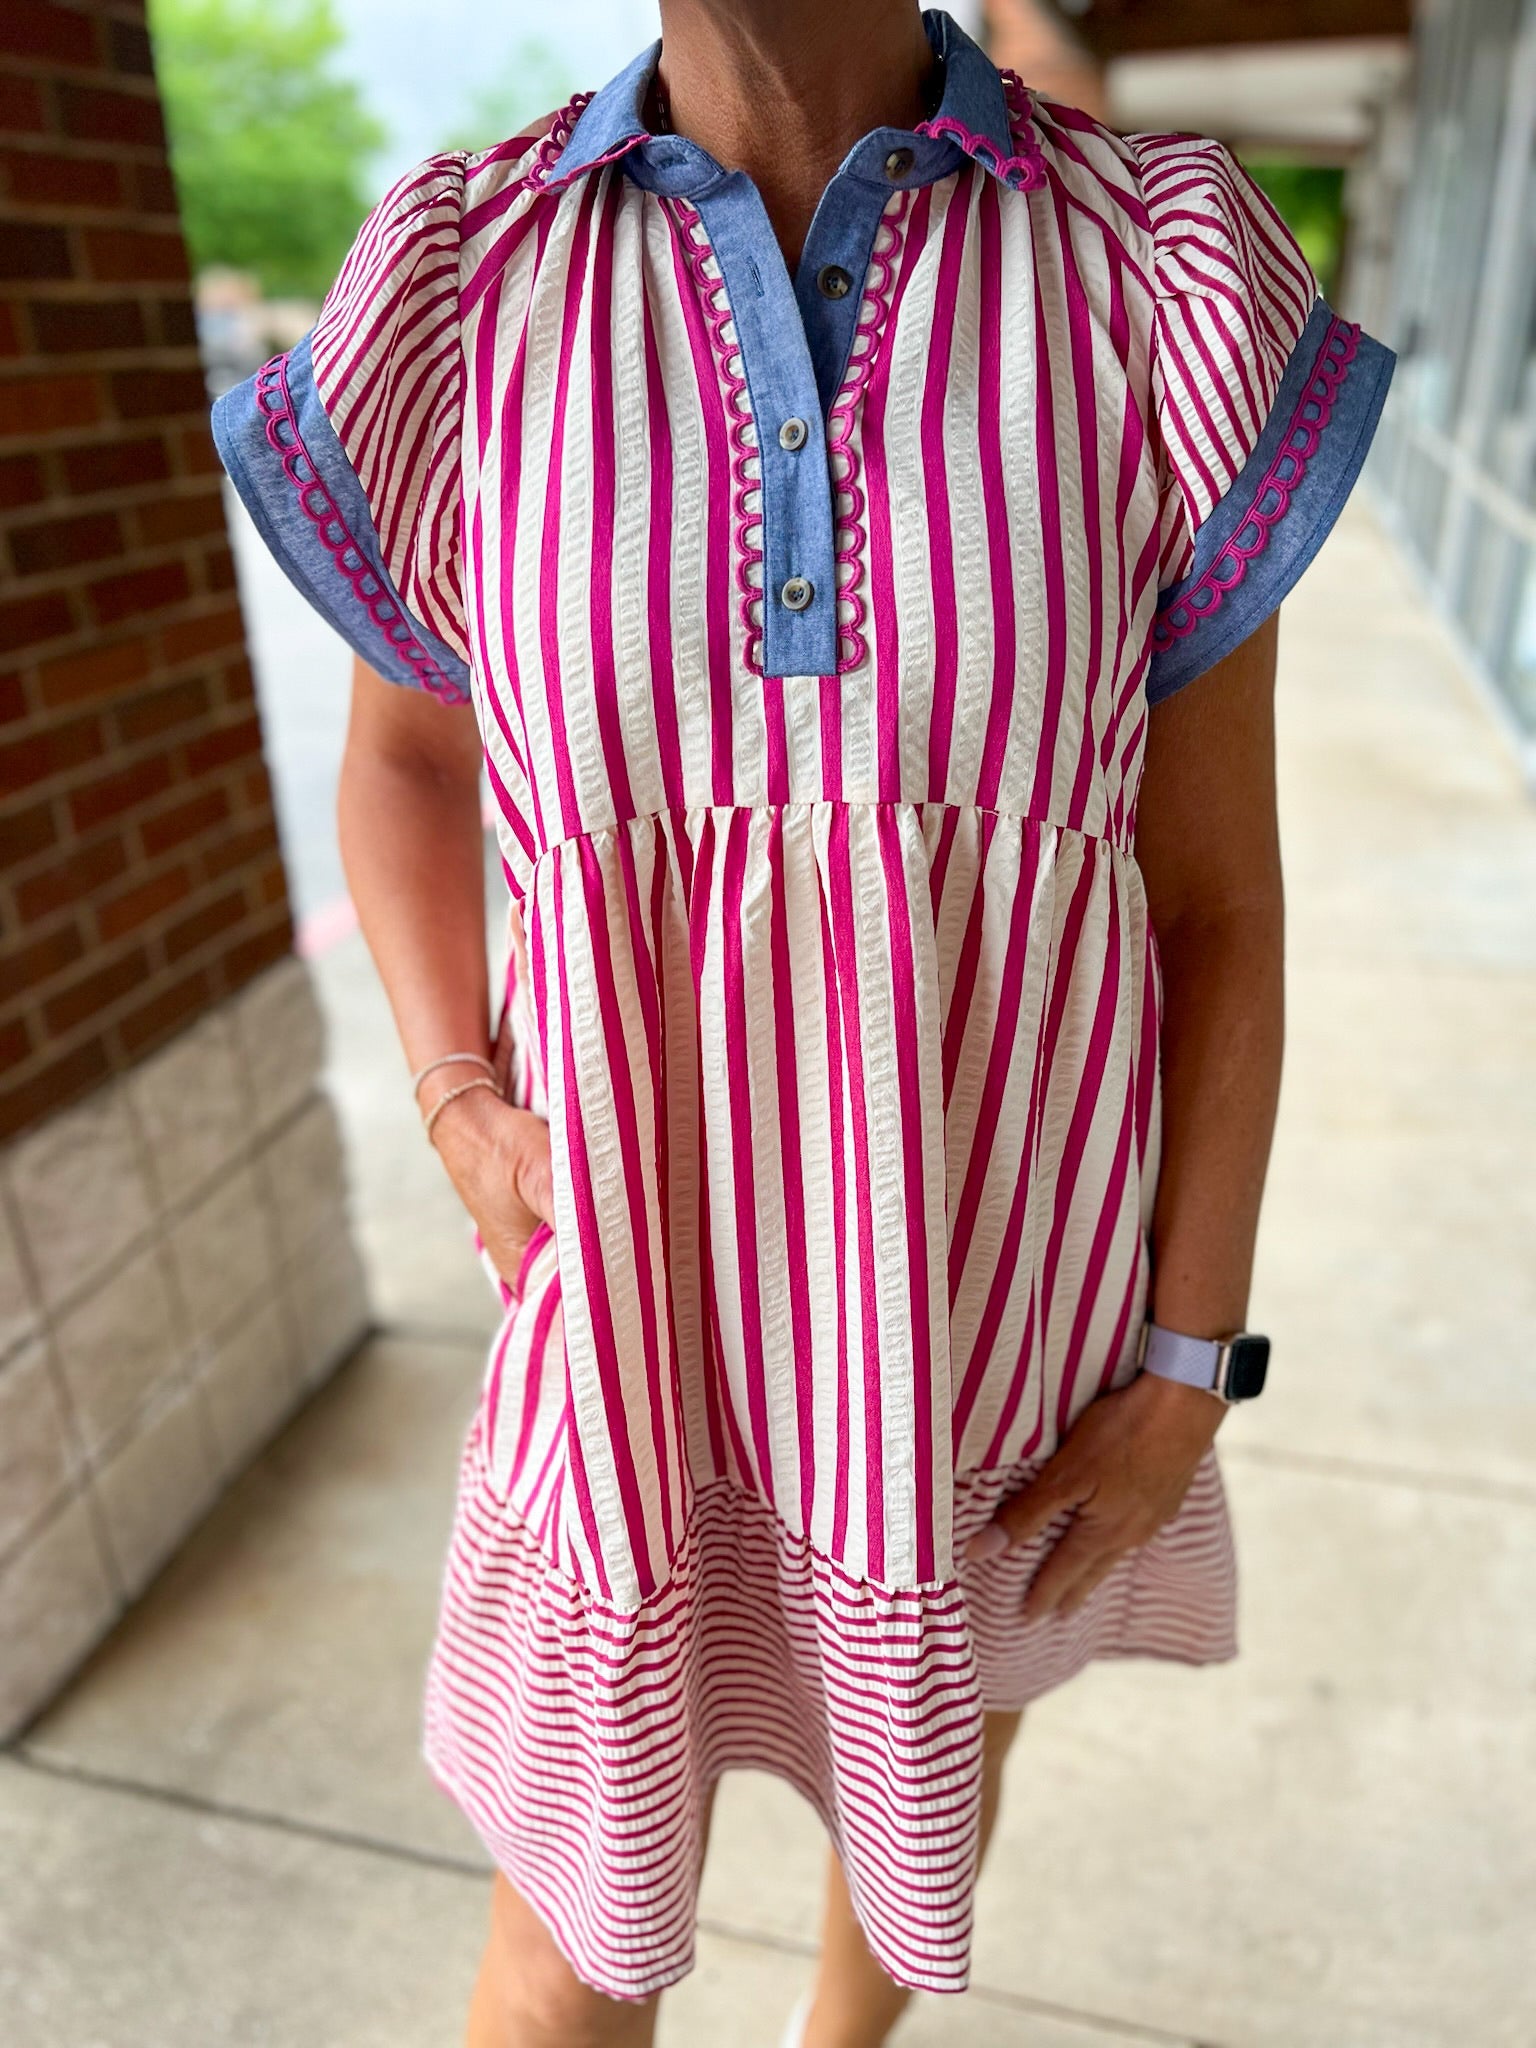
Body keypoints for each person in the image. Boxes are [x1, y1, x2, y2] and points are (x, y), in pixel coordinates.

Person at [212, 5, 1394, 2043]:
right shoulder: (463, 275)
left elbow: (1213, 894)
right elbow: (406, 765)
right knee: (562, 1949)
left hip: (998, 1302)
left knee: (930, 1763)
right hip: (630, 1327)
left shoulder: (1155, 268)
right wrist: (456, 1096)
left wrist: (1190, 1361)